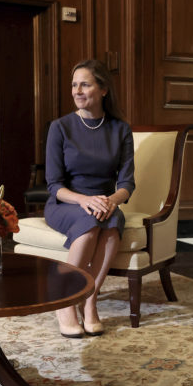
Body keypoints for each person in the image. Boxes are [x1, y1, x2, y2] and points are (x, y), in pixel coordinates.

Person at [44, 59, 135, 338]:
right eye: (74, 85)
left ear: (103, 89)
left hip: (104, 203)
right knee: (90, 223)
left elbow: (127, 183)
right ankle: (65, 300)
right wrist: (84, 200)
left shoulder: (120, 129)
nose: (77, 90)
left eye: (85, 84)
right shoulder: (60, 127)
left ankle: (91, 300)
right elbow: (54, 185)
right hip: (66, 203)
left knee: (111, 224)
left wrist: (111, 201)